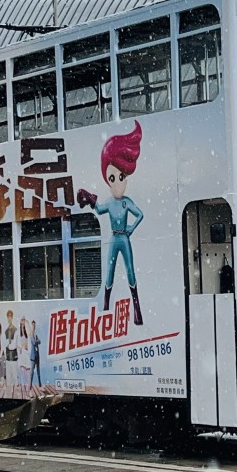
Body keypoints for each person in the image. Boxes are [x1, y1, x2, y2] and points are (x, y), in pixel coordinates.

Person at [78, 121, 145, 325]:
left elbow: (139, 214)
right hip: (115, 238)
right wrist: (91, 200)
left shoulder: (126, 202)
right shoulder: (109, 202)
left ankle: (137, 310)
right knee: (110, 271)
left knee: (130, 270)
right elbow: (99, 209)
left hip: (123, 238)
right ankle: (106, 307)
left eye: (121, 177)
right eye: (112, 178)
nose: (116, 183)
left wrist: (131, 229)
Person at [30, 320, 42, 387]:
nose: (34, 326)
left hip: (37, 355)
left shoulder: (35, 334)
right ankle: (30, 387)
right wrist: (37, 341)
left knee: (38, 371)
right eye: (33, 325)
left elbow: (39, 341)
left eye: (35, 325)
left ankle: (40, 385)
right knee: (32, 372)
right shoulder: (31, 334)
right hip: (33, 356)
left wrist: (36, 341)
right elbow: (34, 343)